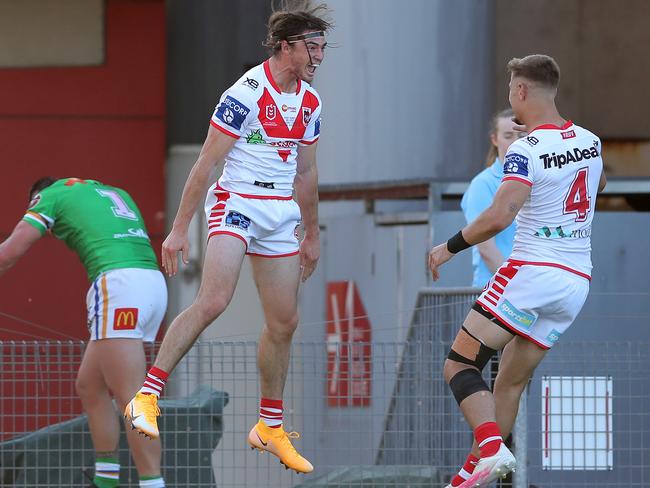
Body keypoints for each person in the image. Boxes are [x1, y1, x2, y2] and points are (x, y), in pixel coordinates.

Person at [124, 5, 332, 475]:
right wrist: (178, 229)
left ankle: (269, 426)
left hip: (281, 214)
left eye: (322, 47)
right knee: (214, 300)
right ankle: (146, 396)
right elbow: (205, 165)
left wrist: (312, 233)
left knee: (285, 322)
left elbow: (307, 171)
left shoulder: (312, 103)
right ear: (286, 46)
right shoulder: (245, 94)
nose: (319, 55)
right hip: (236, 202)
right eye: (311, 47)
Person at [429, 54, 607, 488]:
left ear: (522, 91)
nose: (510, 94)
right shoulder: (590, 140)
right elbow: (596, 185)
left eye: (511, 88)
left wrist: (448, 248)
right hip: (574, 281)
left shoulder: (526, 150)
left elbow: (500, 215)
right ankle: (472, 475)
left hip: (531, 272)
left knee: (458, 365)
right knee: (509, 383)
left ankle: (490, 448)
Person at [0, 177, 167, 488]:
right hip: (151, 283)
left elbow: (10, 252)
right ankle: (105, 480)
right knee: (89, 384)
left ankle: (153, 483)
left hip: (118, 285)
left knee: (132, 397)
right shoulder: (113, 191)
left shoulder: (50, 195)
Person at [461, 109, 521, 288]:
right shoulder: (482, 184)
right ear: (494, 140)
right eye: (508, 136)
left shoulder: (535, 180)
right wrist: (516, 286)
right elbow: (486, 248)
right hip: (496, 290)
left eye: (522, 135)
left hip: (530, 292)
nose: (516, 142)